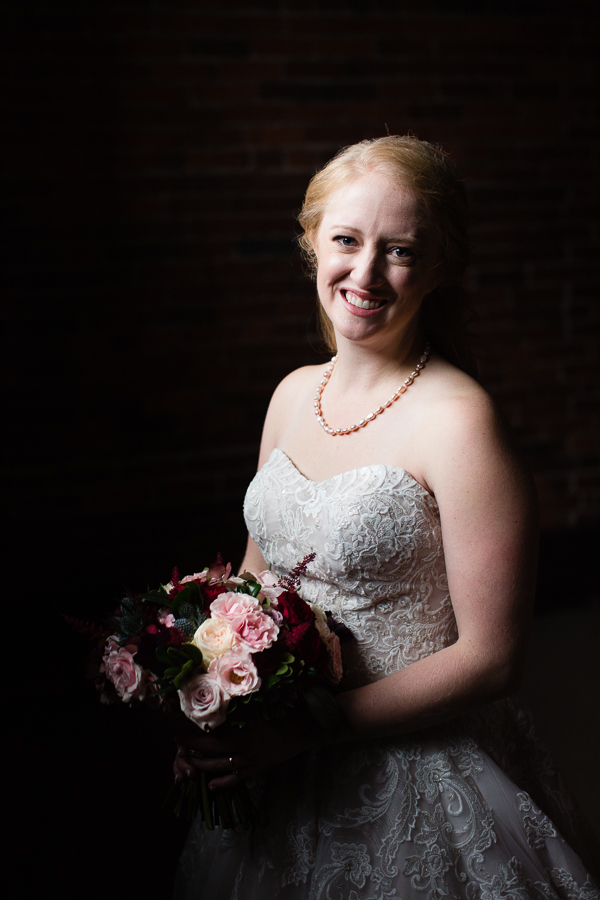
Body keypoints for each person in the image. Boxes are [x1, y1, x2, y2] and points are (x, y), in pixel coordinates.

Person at [172, 136, 599, 898]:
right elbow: (253, 583)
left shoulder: (463, 422)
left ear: (439, 267)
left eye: (398, 251)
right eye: (346, 240)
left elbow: (492, 659)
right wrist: (219, 708)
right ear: (313, 245)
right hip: (278, 766)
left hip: (414, 773)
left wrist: (304, 731)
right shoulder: (291, 393)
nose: (364, 273)